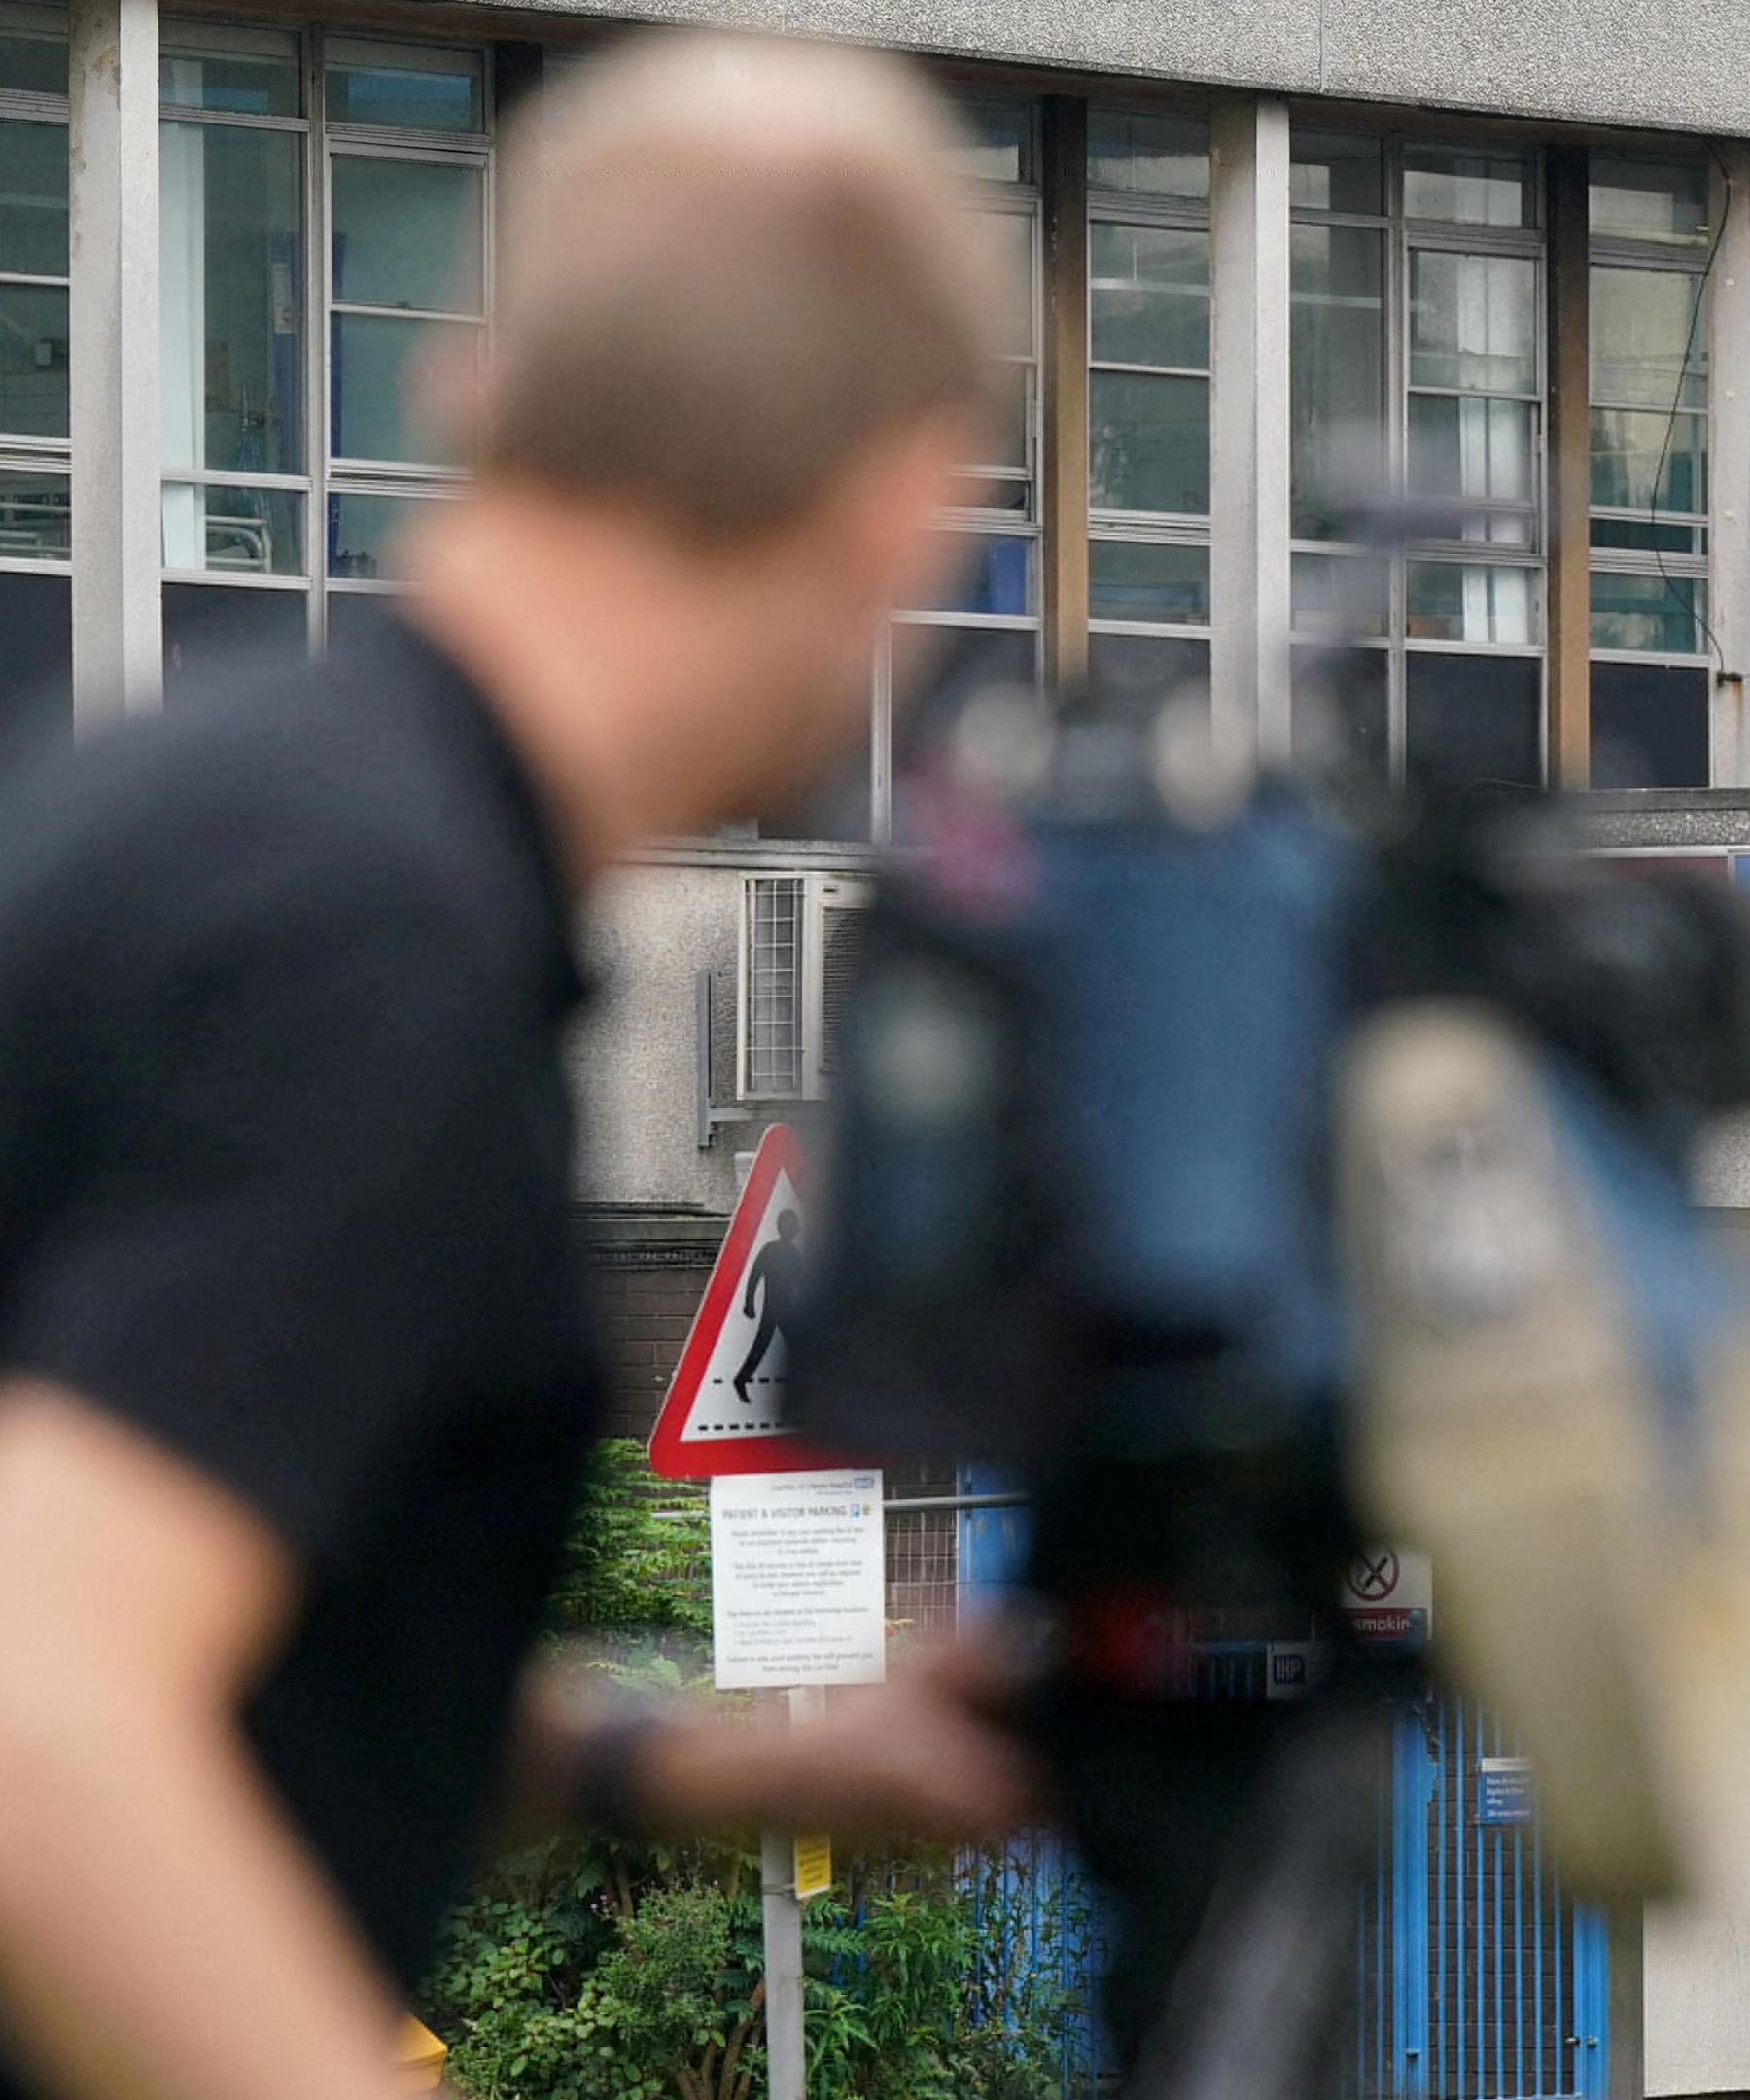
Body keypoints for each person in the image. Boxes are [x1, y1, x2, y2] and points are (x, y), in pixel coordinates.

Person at [0, 36, 1030, 2100]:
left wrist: (704, 1761)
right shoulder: (371, 935)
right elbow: (47, 1702)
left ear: (476, 395)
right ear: (902, 504)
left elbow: (241, 1632)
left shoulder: (213, 801)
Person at [734, 1208, 805, 1400]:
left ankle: (742, 1379)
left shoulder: (792, 1253)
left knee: (776, 1345)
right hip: (774, 1306)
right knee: (766, 1345)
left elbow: (803, 1282)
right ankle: (741, 1379)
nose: (795, 1229)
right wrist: (749, 1303)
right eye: (792, 1225)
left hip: (786, 1307)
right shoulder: (772, 1250)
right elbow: (755, 1275)